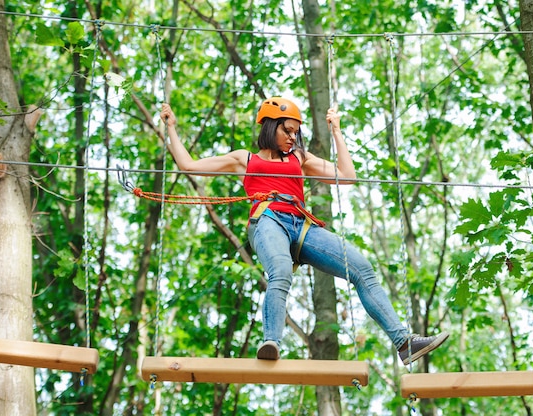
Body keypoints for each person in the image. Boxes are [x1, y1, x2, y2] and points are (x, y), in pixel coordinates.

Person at [160, 97, 448, 365]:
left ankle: (403, 343)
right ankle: (271, 342)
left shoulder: (300, 158)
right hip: (268, 220)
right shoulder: (244, 160)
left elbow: (347, 176)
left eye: (296, 132)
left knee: (361, 267)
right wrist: (171, 128)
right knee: (281, 270)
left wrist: (336, 132)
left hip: (302, 225)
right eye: (287, 130)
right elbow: (189, 165)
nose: (292, 137)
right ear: (270, 127)